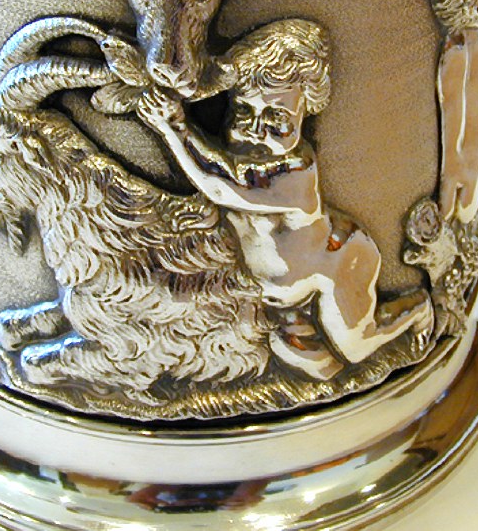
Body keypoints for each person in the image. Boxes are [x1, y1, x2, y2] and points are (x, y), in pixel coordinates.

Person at [137, 19, 433, 379]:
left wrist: (174, 127)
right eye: (243, 112)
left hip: (338, 262)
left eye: (277, 118)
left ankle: (417, 308)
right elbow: (219, 178)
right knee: (311, 365)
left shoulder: (296, 175)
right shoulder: (243, 160)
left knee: (355, 346)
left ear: (305, 113)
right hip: (276, 290)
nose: (256, 130)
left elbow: (219, 186)